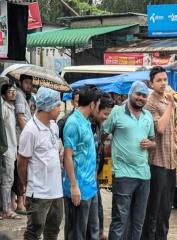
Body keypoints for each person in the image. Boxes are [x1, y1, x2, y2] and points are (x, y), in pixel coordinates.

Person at [104, 81, 155, 240]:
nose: (141, 98)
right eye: (138, 94)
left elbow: (153, 140)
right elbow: (104, 133)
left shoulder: (148, 116)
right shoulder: (117, 112)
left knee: (138, 221)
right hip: (123, 174)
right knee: (120, 220)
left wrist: (151, 144)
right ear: (130, 94)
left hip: (144, 175)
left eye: (144, 95)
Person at [17, 87, 64, 240]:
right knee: (33, 233)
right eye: (57, 105)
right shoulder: (30, 130)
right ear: (48, 107)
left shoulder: (54, 127)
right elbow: (22, 162)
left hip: (56, 192)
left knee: (53, 231)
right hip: (38, 193)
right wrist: (27, 184)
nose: (60, 108)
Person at [142, 66, 177, 240]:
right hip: (156, 163)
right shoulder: (150, 102)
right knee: (153, 212)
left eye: (165, 80)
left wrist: (176, 148)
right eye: (159, 80)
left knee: (166, 210)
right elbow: (161, 128)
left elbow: (169, 134)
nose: (163, 83)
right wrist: (172, 104)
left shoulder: (166, 99)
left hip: (170, 162)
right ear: (151, 83)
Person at [63, 86, 101, 240]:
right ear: (92, 104)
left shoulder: (85, 121)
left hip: (90, 187)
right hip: (78, 189)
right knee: (76, 234)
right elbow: (67, 156)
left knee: (92, 231)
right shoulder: (73, 123)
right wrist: (73, 186)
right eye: (98, 105)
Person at [86, 93, 114, 240]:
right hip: (84, 178)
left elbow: (100, 146)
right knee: (85, 218)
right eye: (105, 113)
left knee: (98, 211)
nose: (106, 117)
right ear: (96, 106)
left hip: (94, 174)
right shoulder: (84, 124)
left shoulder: (98, 124)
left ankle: (98, 234)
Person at [13, 75, 34, 214]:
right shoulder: (20, 95)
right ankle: (20, 203)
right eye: (26, 83)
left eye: (30, 84)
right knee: (21, 171)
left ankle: (19, 202)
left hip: (22, 139)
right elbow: (20, 118)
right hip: (21, 139)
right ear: (20, 83)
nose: (29, 86)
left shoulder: (26, 97)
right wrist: (29, 136)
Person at [1, 84, 21, 220]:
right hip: (6, 149)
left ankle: (6, 208)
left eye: (14, 91)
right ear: (3, 95)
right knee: (7, 180)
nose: (13, 94)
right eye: (10, 92)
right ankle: (5, 209)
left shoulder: (11, 108)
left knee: (9, 179)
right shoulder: (3, 109)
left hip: (12, 148)